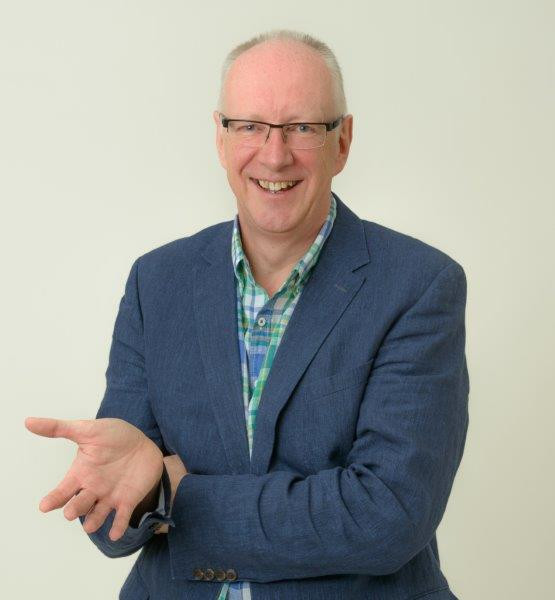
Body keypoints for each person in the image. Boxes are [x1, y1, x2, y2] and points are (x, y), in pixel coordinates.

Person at [25, 29, 469, 600]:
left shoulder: (418, 285)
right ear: (220, 137)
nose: (274, 154)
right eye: (250, 126)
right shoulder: (155, 282)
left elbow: (387, 518)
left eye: (302, 127)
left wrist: (180, 497)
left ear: (342, 141)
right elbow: (117, 515)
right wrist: (138, 492)